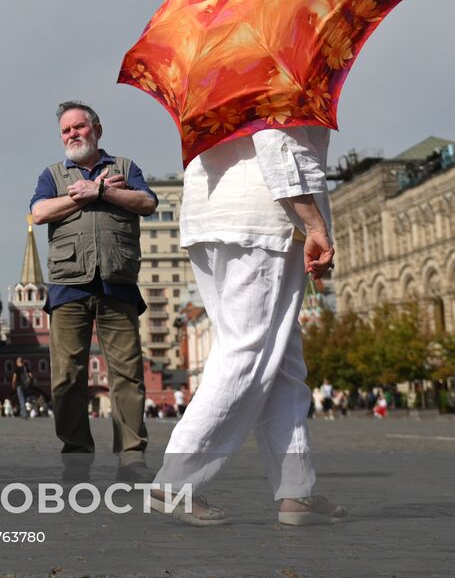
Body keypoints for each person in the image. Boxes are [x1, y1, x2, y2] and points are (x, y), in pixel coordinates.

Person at [152, 126, 346, 526]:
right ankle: (175, 481)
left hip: (209, 215)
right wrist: (314, 224)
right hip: (264, 220)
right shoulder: (276, 70)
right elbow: (276, 143)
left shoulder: (217, 69)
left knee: (281, 359)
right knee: (248, 349)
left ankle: (298, 490)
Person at [30, 101, 157, 482]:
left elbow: (147, 202)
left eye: (79, 127)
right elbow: (38, 213)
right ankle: (76, 456)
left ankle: (132, 457)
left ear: (96, 129)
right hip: (68, 285)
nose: (72, 134)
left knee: (128, 375)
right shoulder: (53, 174)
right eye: (66, 130)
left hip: (117, 282)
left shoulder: (125, 168)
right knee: (67, 376)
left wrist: (101, 189)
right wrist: (78, 196)